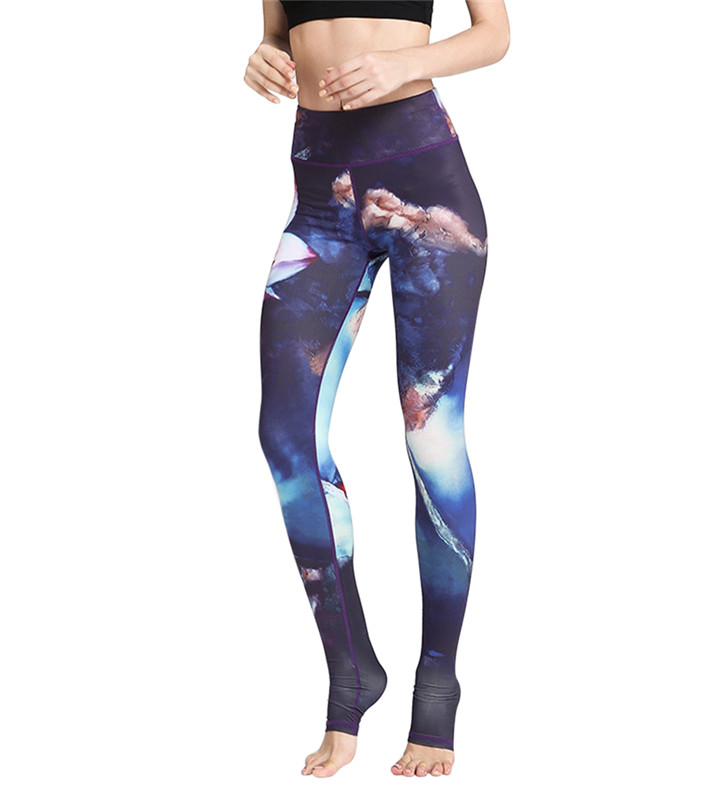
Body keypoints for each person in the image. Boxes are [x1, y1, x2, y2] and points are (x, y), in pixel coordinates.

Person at [244, 0, 510, 779]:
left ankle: (436, 692)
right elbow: (277, 32)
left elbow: (495, 34)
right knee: (286, 438)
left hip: (426, 184)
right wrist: (263, 55)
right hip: (319, 199)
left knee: (431, 438)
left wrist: (407, 64)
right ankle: (350, 671)